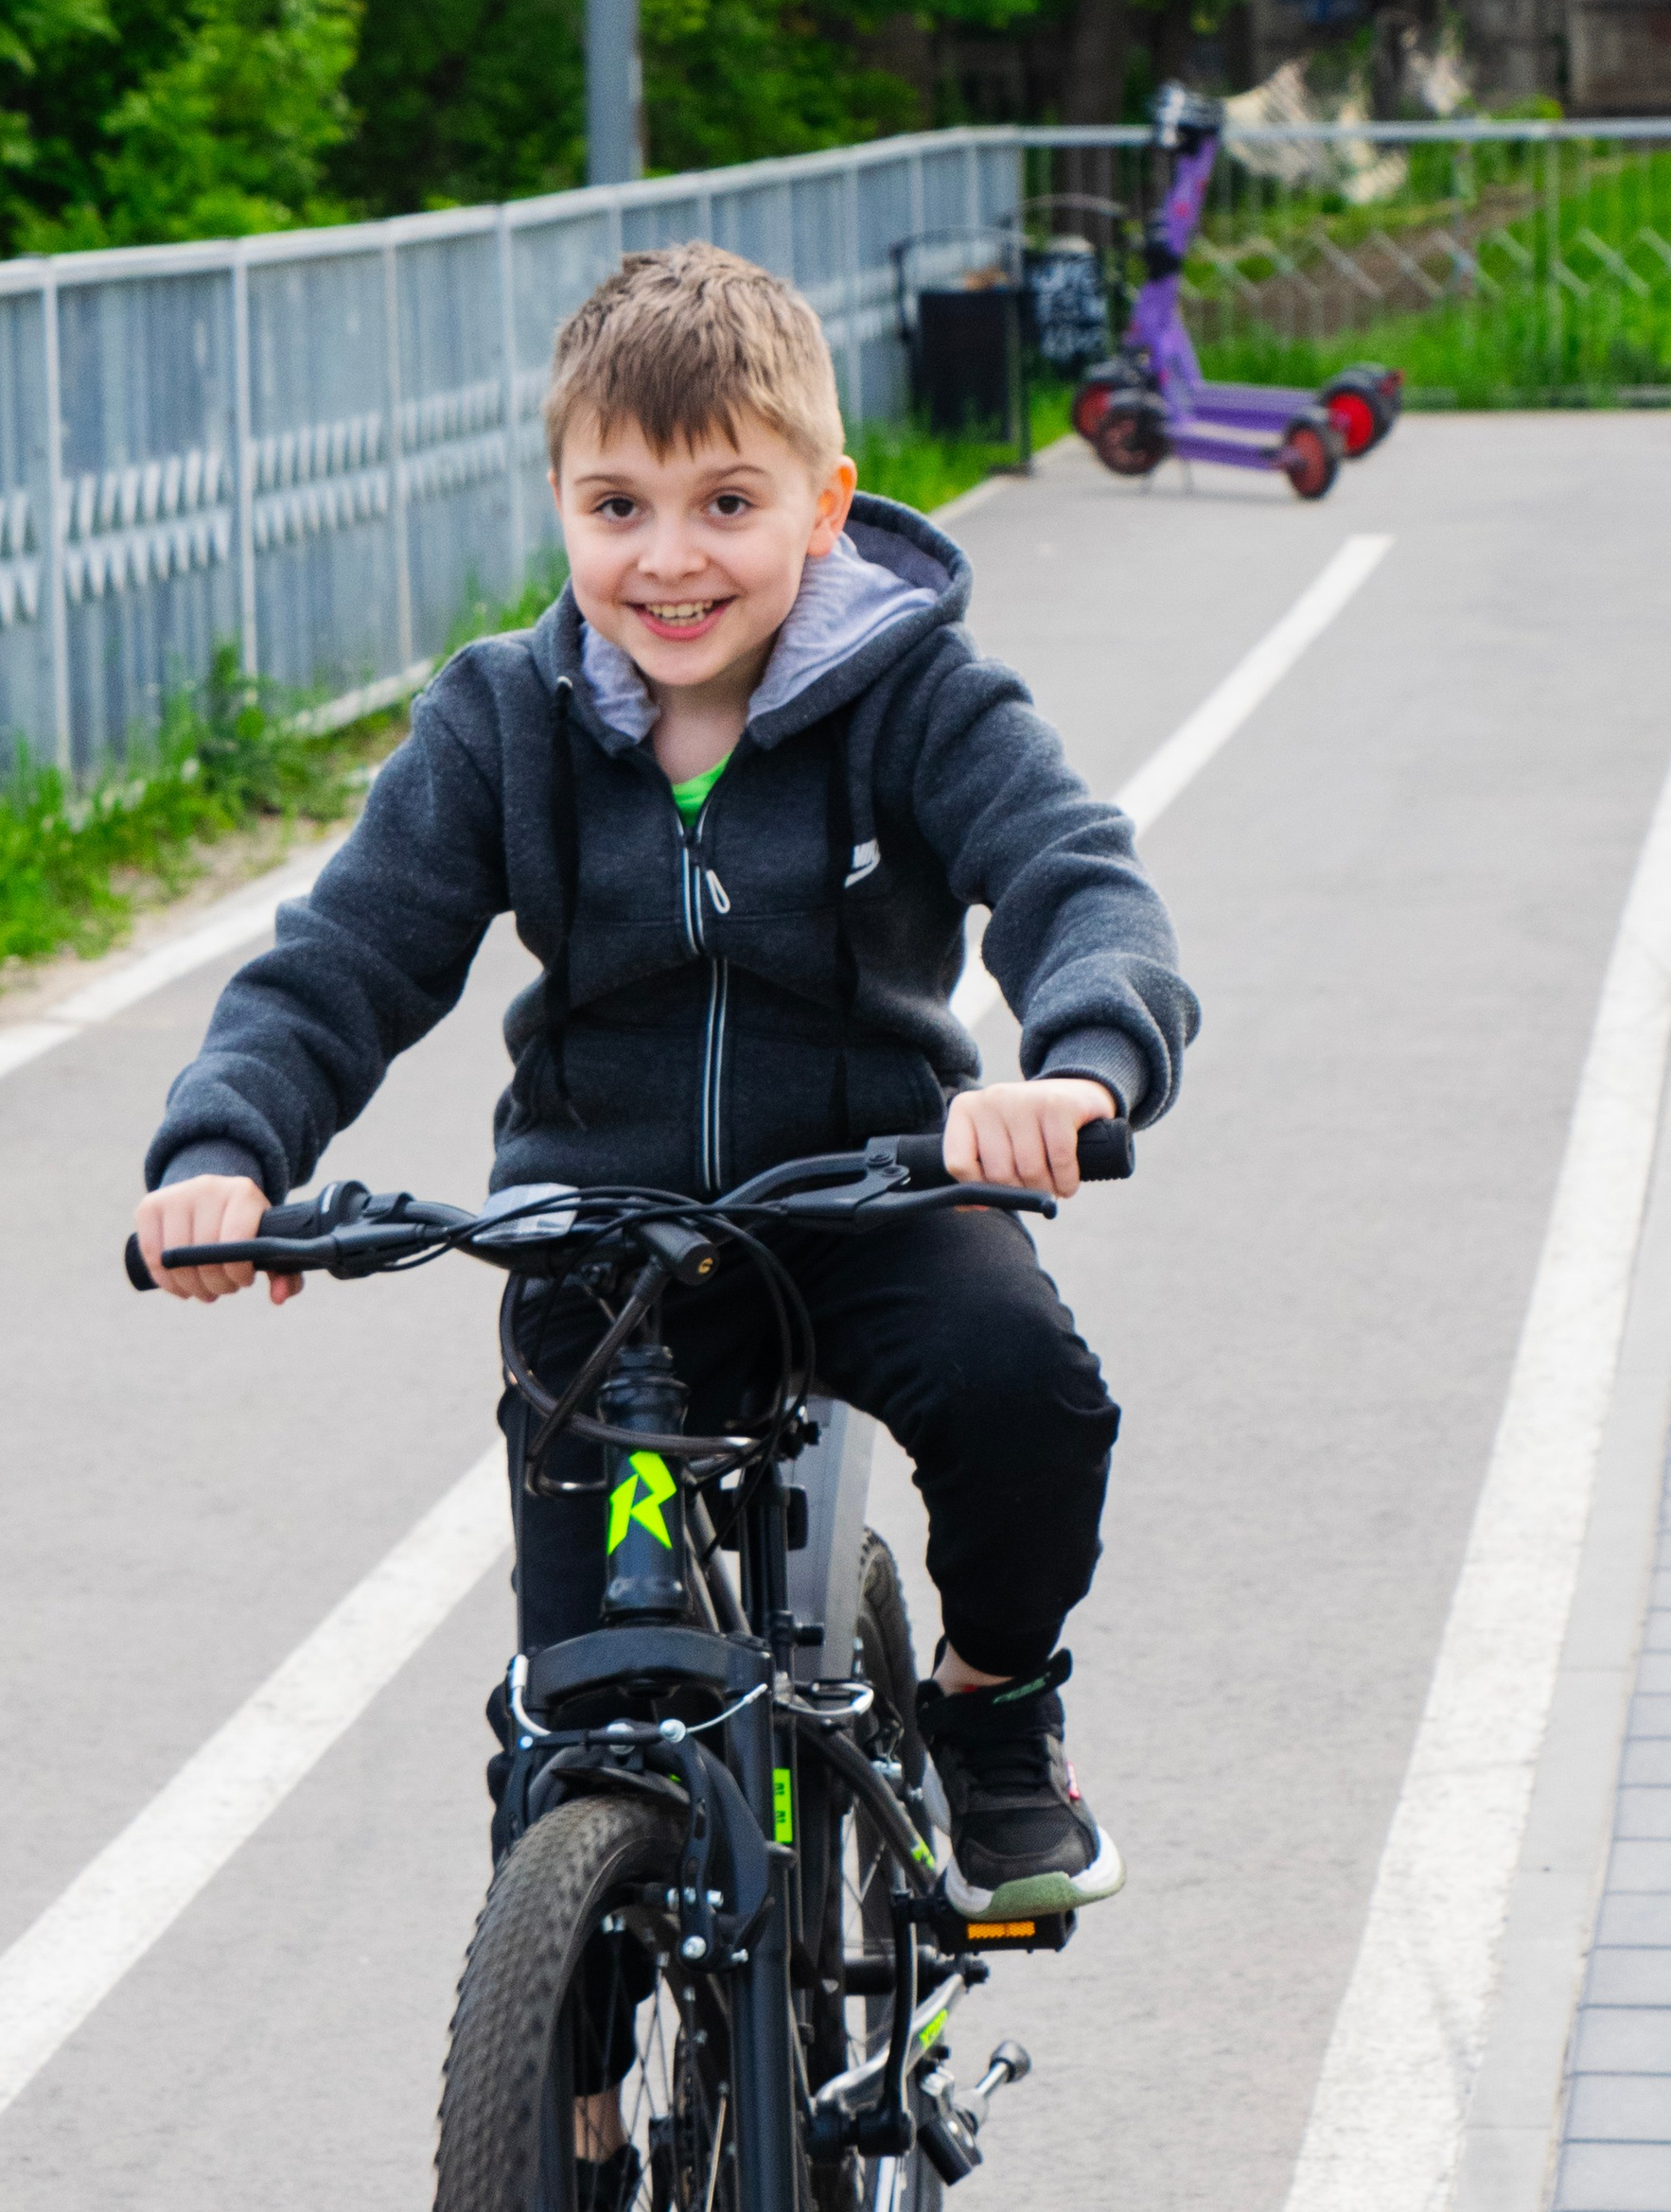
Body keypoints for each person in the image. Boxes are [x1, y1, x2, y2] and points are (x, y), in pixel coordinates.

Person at [133, 240, 1198, 1920]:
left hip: (862, 1200)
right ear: (558, 501)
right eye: (616, 506)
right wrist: (224, 1150)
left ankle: (996, 1709)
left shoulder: (914, 692)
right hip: (607, 1249)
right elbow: (346, 957)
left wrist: (1079, 1064)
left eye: (726, 502)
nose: (670, 557)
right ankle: (560, 2108)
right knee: (579, 1706)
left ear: (825, 504)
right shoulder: (502, 720)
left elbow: (1078, 872)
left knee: (1024, 1387)